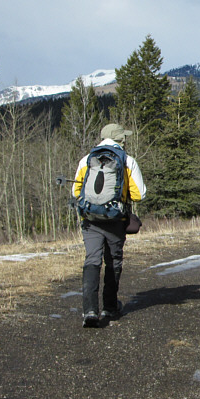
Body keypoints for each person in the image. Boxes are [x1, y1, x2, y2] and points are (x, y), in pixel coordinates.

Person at [72, 123, 146, 327]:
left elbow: (75, 192)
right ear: (120, 139)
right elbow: (140, 194)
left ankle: (89, 311)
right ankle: (110, 307)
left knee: (92, 259)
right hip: (115, 219)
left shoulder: (87, 160)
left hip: (90, 220)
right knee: (113, 259)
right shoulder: (127, 161)